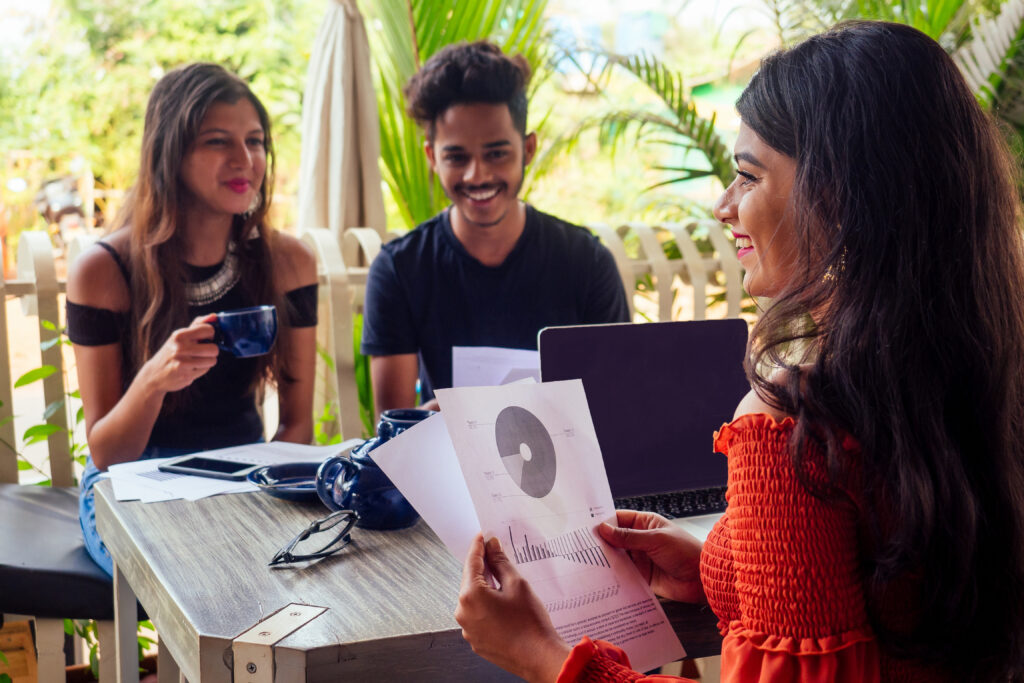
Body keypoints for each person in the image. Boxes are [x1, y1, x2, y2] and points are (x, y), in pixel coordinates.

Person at [455, 20, 1024, 682]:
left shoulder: (793, 426)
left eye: (748, 177)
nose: (725, 207)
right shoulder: (983, 377)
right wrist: (721, 565)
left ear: (837, 200)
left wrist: (540, 653)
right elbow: (887, 596)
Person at [69, 63, 318, 577]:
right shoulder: (103, 271)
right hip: (131, 485)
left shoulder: (288, 261)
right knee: (201, 570)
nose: (244, 159)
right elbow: (108, 453)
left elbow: (297, 425)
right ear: (171, 154)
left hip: (242, 476)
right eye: (216, 142)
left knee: (311, 558)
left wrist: (260, 492)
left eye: (255, 141)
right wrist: (155, 380)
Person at [361, 41, 630, 415]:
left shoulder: (587, 262)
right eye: (456, 157)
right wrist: (427, 421)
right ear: (431, 158)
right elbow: (392, 434)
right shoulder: (400, 269)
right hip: (445, 466)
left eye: (496, 153)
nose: (478, 175)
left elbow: (614, 404)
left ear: (528, 149)